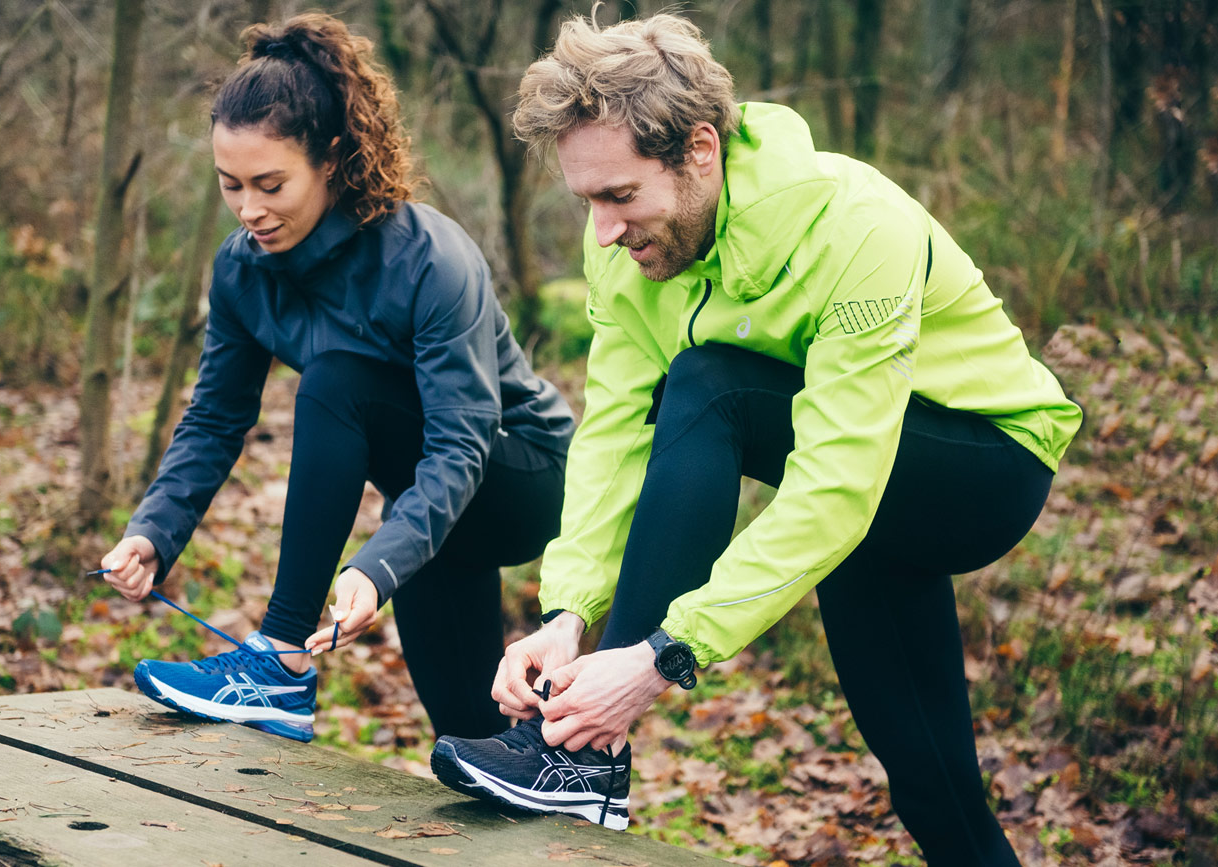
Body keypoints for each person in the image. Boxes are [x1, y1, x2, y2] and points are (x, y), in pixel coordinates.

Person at [428, 13, 1081, 864]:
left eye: (621, 196)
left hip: (986, 464)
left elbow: (833, 485)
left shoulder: (857, 229)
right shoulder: (625, 249)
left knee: (712, 381)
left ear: (700, 150)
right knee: (929, 776)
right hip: (861, 500)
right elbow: (615, 432)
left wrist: (659, 658)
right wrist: (567, 612)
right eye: (587, 200)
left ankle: (583, 760)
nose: (603, 232)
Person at [97, 13, 576, 745]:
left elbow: (460, 442)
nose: (250, 209)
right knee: (473, 737)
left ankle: (281, 660)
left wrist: (379, 565)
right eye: (230, 186)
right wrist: (155, 529)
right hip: (433, 507)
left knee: (335, 380)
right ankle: (556, 784)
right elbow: (216, 416)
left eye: (270, 183)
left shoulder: (427, 260)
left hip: (524, 472)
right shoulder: (242, 269)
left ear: (329, 158)